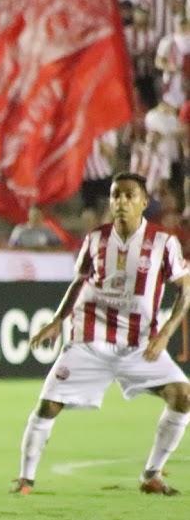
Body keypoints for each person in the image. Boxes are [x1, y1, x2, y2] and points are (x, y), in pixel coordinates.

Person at [13, 172, 190, 496]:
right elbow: (79, 282)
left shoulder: (164, 243)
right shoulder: (95, 239)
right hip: (90, 341)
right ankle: (25, 479)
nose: (121, 202)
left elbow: (185, 289)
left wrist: (165, 333)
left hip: (139, 345)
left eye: (129, 196)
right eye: (115, 196)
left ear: (143, 202)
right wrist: (57, 320)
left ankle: (151, 475)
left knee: (183, 396)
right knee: (48, 406)